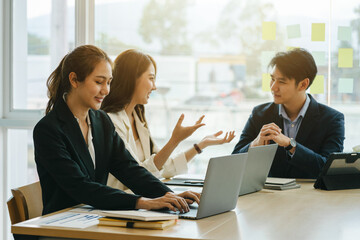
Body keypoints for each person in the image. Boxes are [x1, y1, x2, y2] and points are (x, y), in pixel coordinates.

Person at [33, 45, 200, 216]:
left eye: (109, 82)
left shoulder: (101, 121)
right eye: (99, 82)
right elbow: (80, 186)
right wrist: (142, 202)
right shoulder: (48, 130)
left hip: (94, 217)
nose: (106, 90)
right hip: (61, 225)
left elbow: (128, 168)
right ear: (74, 80)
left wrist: (168, 195)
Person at [101, 49, 235, 189]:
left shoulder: (137, 119)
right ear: (132, 78)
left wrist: (201, 145)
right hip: (122, 204)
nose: (154, 87)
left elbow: (166, 167)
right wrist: (174, 140)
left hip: (141, 200)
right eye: (151, 78)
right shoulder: (110, 122)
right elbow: (137, 176)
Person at [232, 48, 345, 179]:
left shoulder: (332, 119)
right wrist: (254, 144)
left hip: (311, 197)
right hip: (268, 197)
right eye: (272, 79)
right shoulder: (260, 115)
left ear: (303, 84)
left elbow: (328, 170)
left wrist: (290, 145)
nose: (273, 87)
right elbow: (234, 162)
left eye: (281, 81)